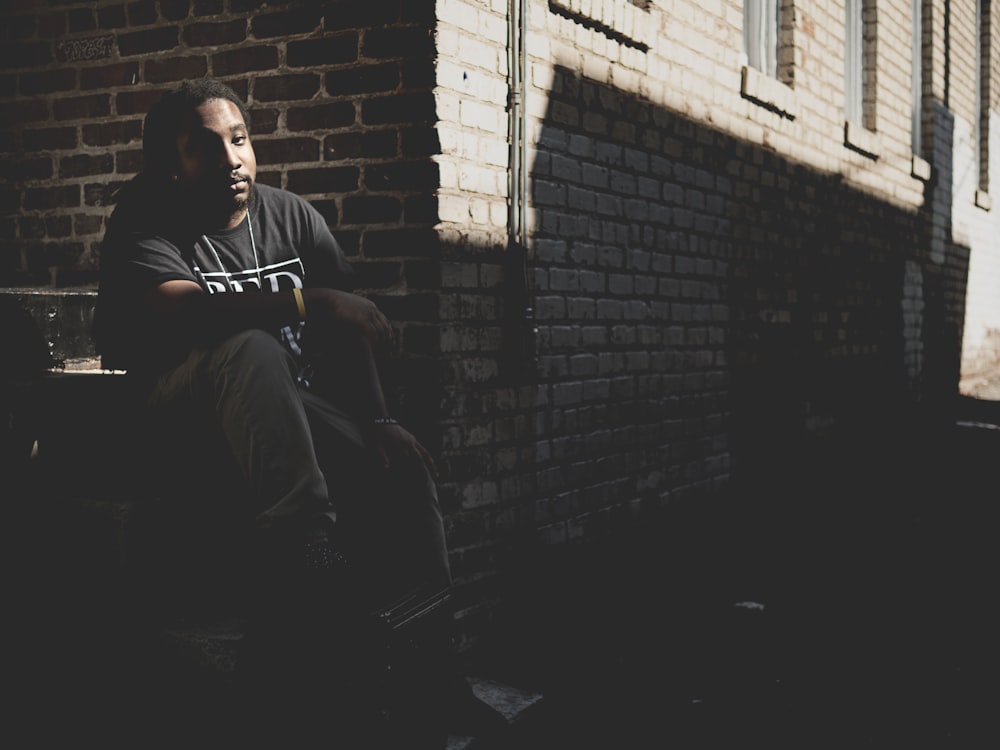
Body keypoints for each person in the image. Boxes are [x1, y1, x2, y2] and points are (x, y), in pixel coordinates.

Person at [96, 79, 508, 747]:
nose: (233, 158)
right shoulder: (146, 216)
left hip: (288, 415)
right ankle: (304, 544)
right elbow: (183, 306)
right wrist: (304, 302)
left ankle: (434, 677)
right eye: (206, 147)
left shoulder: (293, 217)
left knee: (407, 473)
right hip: (186, 413)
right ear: (173, 164)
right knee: (252, 349)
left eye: (239, 139)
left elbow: (347, 333)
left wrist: (378, 422)